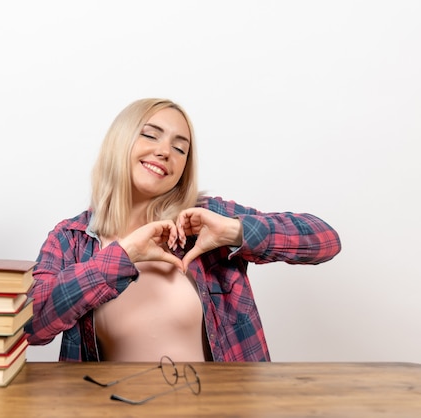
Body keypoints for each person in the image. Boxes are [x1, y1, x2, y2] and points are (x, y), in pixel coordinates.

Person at [25, 98, 341, 362]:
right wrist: (123, 256)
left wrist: (234, 232)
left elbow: (325, 240)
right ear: (119, 142)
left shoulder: (205, 218)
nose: (165, 151)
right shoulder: (69, 239)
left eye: (180, 148)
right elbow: (31, 325)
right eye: (150, 135)